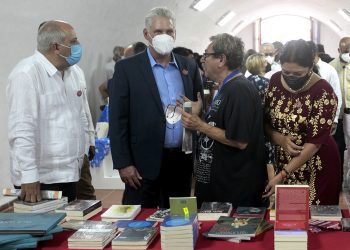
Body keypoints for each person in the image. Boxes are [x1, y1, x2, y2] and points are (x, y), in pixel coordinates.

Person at [109, 7, 203, 208]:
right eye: (159, 32)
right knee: (140, 221)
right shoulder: (128, 68)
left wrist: (196, 111)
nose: (165, 36)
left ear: (175, 33)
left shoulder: (188, 66)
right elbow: (117, 120)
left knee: (180, 219)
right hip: (143, 162)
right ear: (147, 34)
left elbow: (196, 104)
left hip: (181, 159)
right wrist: (123, 163)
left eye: (169, 32)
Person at [7, 20, 93, 202]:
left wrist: (86, 146)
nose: (78, 46)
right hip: (41, 179)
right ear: (56, 47)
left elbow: (80, 115)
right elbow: (22, 129)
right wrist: (29, 176)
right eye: (74, 41)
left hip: (70, 173)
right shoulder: (27, 74)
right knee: (45, 229)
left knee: (69, 227)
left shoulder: (74, 73)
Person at [181, 33, 266, 208]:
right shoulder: (226, 87)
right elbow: (220, 125)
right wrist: (201, 115)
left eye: (206, 55)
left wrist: (200, 125)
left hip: (233, 189)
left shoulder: (239, 90)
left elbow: (239, 140)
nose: (202, 60)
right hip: (219, 185)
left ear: (221, 59)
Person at [264, 39, 341, 205]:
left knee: (315, 220)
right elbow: (264, 122)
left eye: (297, 74)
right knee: (288, 217)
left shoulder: (323, 91)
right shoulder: (275, 81)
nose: (290, 77)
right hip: (284, 159)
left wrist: (282, 174)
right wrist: (280, 139)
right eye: (286, 72)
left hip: (317, 162)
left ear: (310, 67)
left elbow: (315, 142)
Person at [245, 53, 275, 182]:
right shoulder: (267, 83)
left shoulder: (244, 82)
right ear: (260, 64)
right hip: (265, 124)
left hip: (249, 125)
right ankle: (272, 189)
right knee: (269, 156)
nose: (266, 63)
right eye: (264, 61)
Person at [330, 37, 350, 189]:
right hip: (337, 114)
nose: (346, 54)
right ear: (338, 50)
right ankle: (338, 179)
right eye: (344, 51)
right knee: (338, 146)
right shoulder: (332, 66)